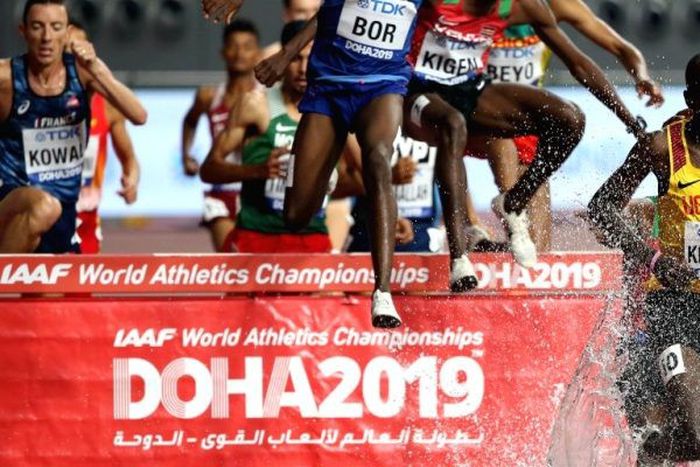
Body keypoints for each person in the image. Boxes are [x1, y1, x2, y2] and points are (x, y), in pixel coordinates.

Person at [208, 0, 447, 329]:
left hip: (382, 82)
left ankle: (382, 292)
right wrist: (286, 53)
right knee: (295, 215)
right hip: (330, 84)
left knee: (377, 157)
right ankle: (325, 174)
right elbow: (328, 11)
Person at [402, 0, 648, 269]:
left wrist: (632, 115)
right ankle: (469, 229)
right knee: (477, 135)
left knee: (540, 249)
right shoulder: (440, 5)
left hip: (500, 108)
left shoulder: (535, 6)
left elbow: (586, 59)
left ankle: (512, 207)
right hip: (439, 104)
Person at [476, 0, 663, 252]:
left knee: (539, 248)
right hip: (477, 112)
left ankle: (494, 243)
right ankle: (486, 217)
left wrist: (641, 76)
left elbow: (611, 50)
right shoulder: (476, 6)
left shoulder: (550, 6)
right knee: (498, 139)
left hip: (524, 117)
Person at [588, 54, 700, 465]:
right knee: (697, 434)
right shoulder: (661, 147)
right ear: (691, 99)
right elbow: (602, 208)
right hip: (676, 306)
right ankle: (648, 450)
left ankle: (653, 446)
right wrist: (653, 260)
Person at [0, 0, 146, 254]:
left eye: (55, 27)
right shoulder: (6, 77)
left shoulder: (84, 74)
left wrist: (96, 67)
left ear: (66, 33)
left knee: (51, 213)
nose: (47, 37)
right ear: (23, 31)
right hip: (13, 203)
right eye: (37, 27)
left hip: (64, 218)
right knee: (44, 206)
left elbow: (139, 115)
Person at [200, 21, 335, 254]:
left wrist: (323, 179)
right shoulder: (254, 104)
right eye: (295, 59)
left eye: (311, 58)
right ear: (283, 57)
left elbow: (361, 178)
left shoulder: (334, 109)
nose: (304, 69)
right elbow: (209, 170)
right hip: (257, 239)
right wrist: (259, 171)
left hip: (312, 241)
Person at [181, 19, 260, 252]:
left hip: (256, 187)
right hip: (221, 188)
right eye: (234, 46)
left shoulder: (266, 98)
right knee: (230, 258)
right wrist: (186, 154)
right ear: (223, 52)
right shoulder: (209, 96)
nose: (240, 53)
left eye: (247, 47)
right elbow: (190, 120)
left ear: (257, 53)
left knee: (256, 260)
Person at [68, 21, 141, 254]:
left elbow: (129, 159)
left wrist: (132, 180)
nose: (74, 55)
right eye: (67, 49)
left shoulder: (107, 107)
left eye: (79, 48)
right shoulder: (34, 100)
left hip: (86, 217)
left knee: (83, 279)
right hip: (44, 214)